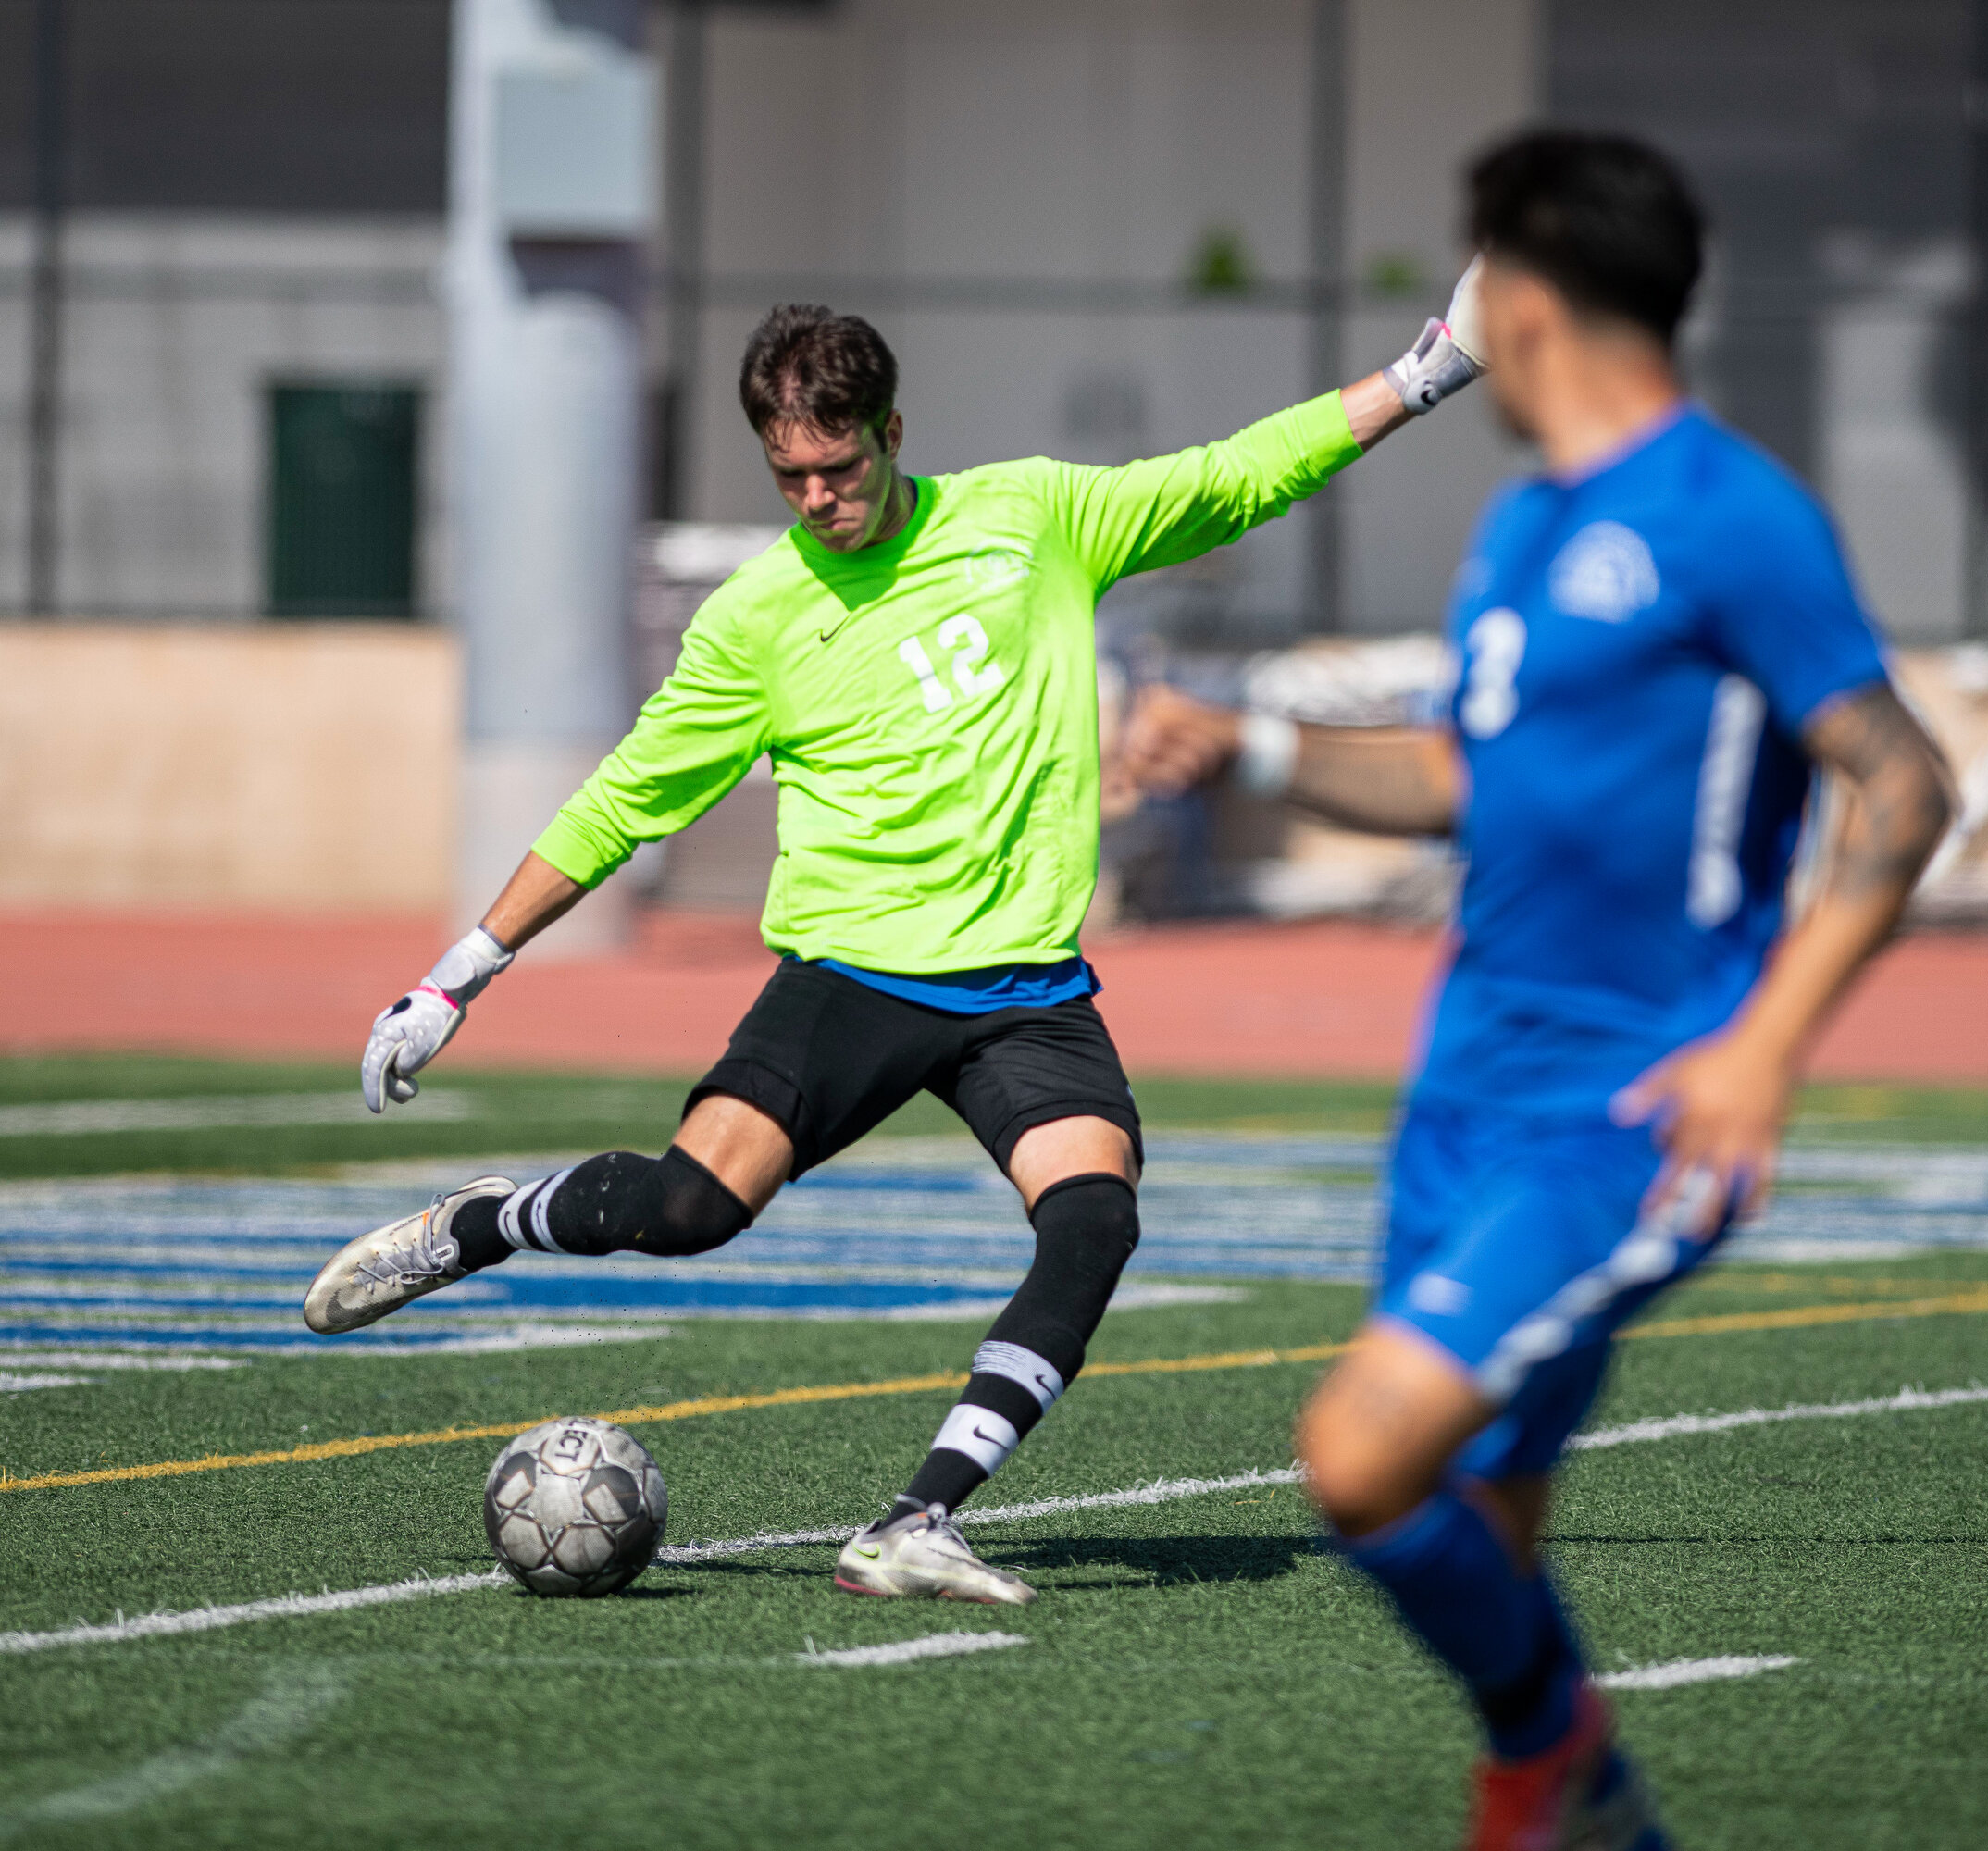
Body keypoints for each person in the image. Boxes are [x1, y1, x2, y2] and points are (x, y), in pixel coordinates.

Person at [301, 287, 1488, 1606]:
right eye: (789, 474)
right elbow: (622, 803)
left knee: (1093, 1224)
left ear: (893, 431)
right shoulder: (755, 619)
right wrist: (458, 972)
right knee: (693, 1211)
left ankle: (916, 1520)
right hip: (853, 974)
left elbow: (1236, 478)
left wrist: (1431, 370)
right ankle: (482, 1223)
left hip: (1027, 989)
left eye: (839, 464)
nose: (817, 496)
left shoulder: (1032, 515)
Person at [1124, 130, 1952, 1848]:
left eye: (1477, 271)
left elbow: (1905, 782)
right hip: (1464, 1101)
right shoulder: (1519, 528)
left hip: (1626, 1109)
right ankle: (1569, 1806)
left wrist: (1765, 1049)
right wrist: (1261, 744)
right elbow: (1467, 779)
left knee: (1360, 1462)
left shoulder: (1733, 515)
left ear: (1532, 289)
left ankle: (1560, 1756)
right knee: (1487, 1531)